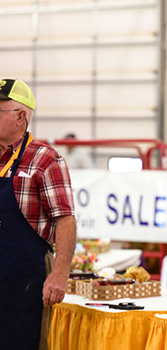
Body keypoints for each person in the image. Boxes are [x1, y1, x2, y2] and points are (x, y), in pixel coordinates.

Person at [0, 79, 77, 349]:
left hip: (27, 278)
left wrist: (59, 273)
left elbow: (65, 219)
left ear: (21, 116)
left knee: (24, 341)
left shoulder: (45, 160)